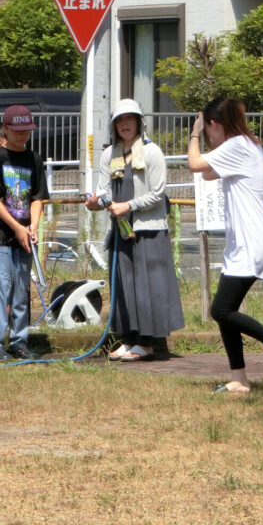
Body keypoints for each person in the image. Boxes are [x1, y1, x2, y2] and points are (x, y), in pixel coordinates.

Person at [187, 97, 263, 393]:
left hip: (251, 243)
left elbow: (195, 164)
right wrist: (209, 138)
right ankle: (239, 379)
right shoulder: (245, 146)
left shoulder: (238, 146)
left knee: (221, 310)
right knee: (226, 312)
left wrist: (195, 133)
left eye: (208, 128)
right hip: (245, 244)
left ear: (214, 124)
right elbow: (208, 173)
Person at [85, 98, 184, 361]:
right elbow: (104, 191)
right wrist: (96, 203)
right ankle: (128, 340)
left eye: (130, 119)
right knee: (124, 286)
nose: (125, 124)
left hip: (148, 230)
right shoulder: (109, 154)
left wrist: (128, 205)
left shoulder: (152, 152)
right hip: (121, 230)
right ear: (114, 126)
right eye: (120, 120)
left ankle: (146, 343)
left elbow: (158, 193)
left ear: (139, 122)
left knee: (147, 287)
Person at [0, 105, 48, 361]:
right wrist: (17, 227)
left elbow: (38, 197)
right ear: (6, 129)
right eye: (17, 130)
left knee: (21, 291)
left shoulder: (34, 160)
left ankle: (19, 341)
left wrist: (33, 226)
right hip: (0, 237)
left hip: (24, 237)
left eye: (26, 131)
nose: (22, 135)